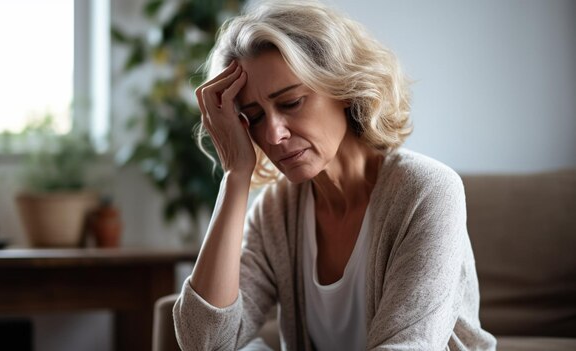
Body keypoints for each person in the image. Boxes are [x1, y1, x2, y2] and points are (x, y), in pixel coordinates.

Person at [173, 0, 497, 350]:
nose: (272, 135)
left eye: (291, 102)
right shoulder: (276, 213)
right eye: (253, 117)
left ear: (343, 87)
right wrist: (235, 176)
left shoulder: (427, 191)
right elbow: (203, 343)